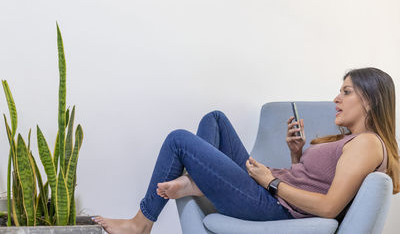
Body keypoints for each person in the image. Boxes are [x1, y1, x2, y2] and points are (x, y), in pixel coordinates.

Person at [93, 67, 399, 234]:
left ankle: (141, 223)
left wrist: (270, 181)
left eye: (346, 92)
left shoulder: (368, 144)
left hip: (272, 204)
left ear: (370, 100)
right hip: (269, 191)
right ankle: (197, 183)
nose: (336, 98)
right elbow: (315, 180)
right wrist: (296, 154)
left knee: (178, 140)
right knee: (215, 120)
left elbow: (329, 206)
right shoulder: (351, 141)